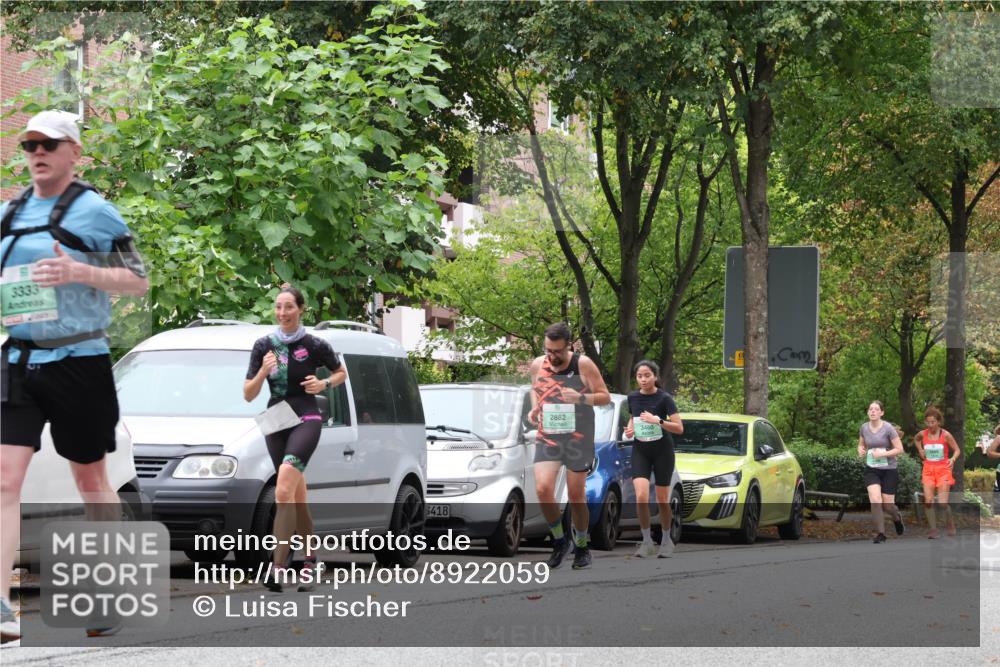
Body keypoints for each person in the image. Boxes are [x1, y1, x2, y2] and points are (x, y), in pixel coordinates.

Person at [1, 110, 149, 642]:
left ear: (73, 152)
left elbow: (139, 281)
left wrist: (79, 271)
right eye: (28, 144)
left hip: (79, 360)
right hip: (18, 359)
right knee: (3, 479)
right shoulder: (10, 212)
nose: (36, 152)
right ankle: (2, 607)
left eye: (48, 143)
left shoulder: (96, 212)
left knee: (91, 481)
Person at [244, 284, 346, 592]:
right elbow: (249, 394)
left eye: (289, 307)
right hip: (276, 420)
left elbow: (341, 373)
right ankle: (311, 561)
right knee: (297, 498)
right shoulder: (264, 345)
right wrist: (263, 371)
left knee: (283, 488)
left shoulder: (314, 343)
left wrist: (324, 383)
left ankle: (276, 568)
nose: (282, 313)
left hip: (306, 417)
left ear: (301, 309)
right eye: (278, 307)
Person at [529, 323, 610, 570]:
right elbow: (535, 389)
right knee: (543, 489)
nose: (552, 356)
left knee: (576, 495)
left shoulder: (583, 365)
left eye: (557, 351)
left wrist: (581, 398)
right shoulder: (537, 364)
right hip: (549, 435)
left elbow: (605, 396)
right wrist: (535, 408)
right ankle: (559, 541)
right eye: (548, 350)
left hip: (579, 436)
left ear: (569, 347)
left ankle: (583, 545)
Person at [622, 360, 683, 558]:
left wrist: (658, 421)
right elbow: (634, 419)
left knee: (662, 500)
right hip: (641, 450)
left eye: (647, 375)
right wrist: (630, 429)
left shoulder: (664, 398)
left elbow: (679, 428)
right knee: (640, 496)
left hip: (662, 451)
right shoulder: (632, 397)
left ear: (655, 377)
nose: (643, 379)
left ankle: (666, 540)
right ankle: (646, 541)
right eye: (639, 376)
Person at [857, 400, 905, 544]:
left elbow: (900, 449)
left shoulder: (888, 428)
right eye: (870, 409)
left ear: (881, 413)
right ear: (868, 412)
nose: (872, 411)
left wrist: (882, 454)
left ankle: (896, 518)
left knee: (888, 505)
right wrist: (860, 450)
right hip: (872, 469)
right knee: (875, 500)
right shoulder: (864, 428)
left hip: (889, 470)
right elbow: (861, 444)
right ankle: (881, 533)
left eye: (876, 409)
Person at [914, 406, 961, 539]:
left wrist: (952, 459)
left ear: (938, 422)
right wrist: (920, 450)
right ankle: (933, 529)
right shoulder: (923, 434)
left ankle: (950, 523)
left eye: (933, 422)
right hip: (928, 469)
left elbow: (957, 450)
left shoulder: (945, 435)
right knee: (928, 501)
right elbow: (916, 439)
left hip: (943, 470)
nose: (930, 425)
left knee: (942, 503)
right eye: (928, 422)